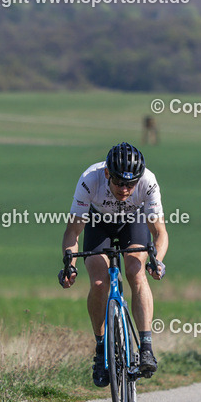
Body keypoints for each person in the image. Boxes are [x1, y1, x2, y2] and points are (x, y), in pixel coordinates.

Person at [58, 142, 168, 387]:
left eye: (131, 184)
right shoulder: (90, 179)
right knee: (98, 282)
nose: (126, 189)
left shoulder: (148, 181)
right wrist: (69, 264)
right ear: (107, 173)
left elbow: (159, 232)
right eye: (119, 182)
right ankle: (100, 349)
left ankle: (146, 347)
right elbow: (73, 232)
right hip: (99, 223)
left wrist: (156, 260)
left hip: (133, 221)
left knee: (135, 272)